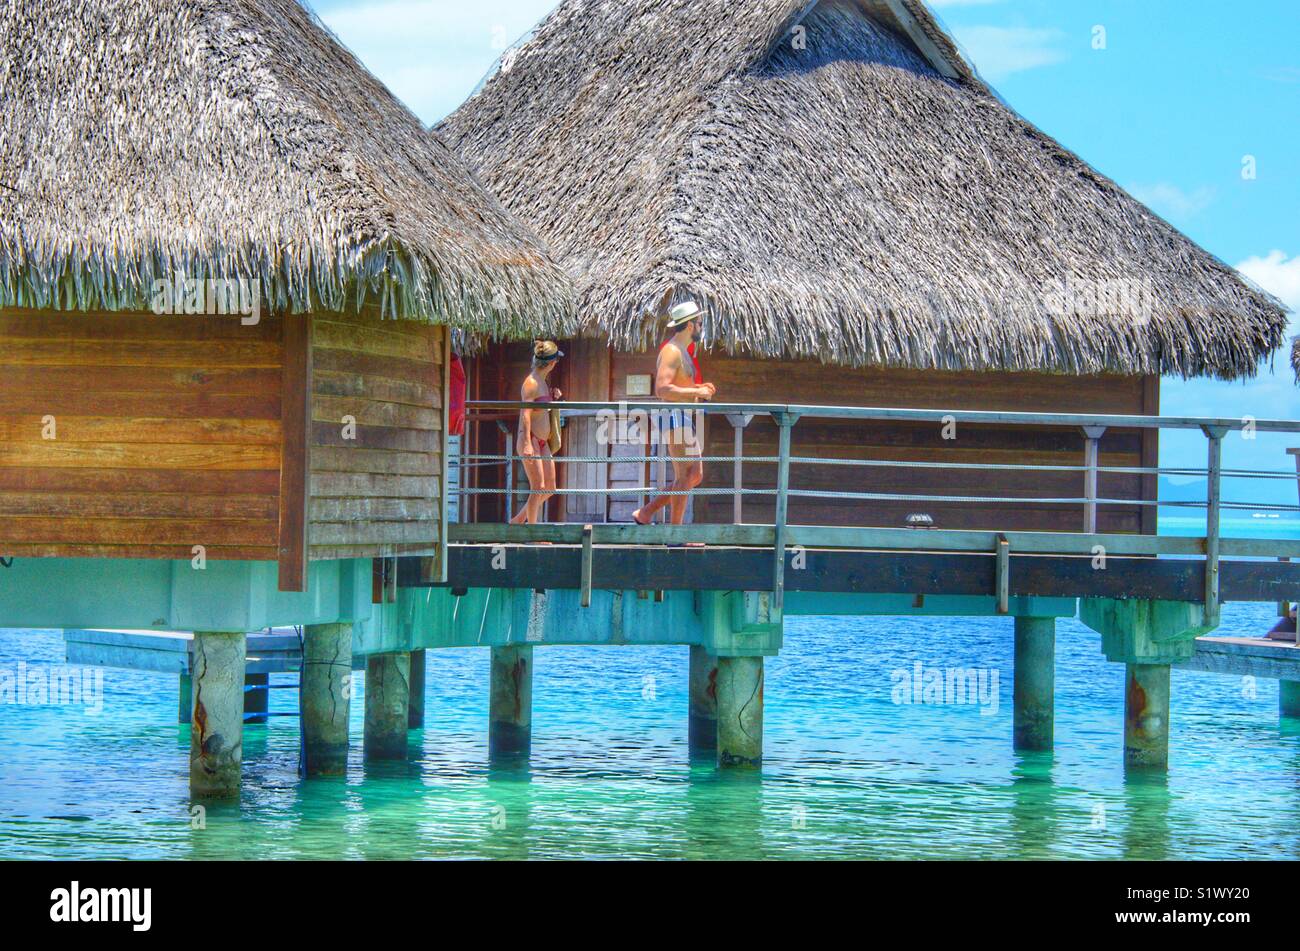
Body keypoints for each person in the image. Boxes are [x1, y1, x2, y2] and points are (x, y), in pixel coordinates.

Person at [632, 302, 716, 527]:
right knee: (685, 475)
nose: (701, 327)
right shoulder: (671, 351)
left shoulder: (682, 352)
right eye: (699, 323)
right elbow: (662, 389)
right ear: (690, 325)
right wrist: (696, 390)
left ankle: (647, 512)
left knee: (694, 475)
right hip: (675, 415)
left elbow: (680, 386)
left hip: (684, 416)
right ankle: (675, 534)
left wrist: (699, 390)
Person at [510, 340, 563, 525]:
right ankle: (533, 533)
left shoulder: (544, 381)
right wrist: (525, 442)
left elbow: (542, 408)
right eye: (556, 360)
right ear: (551, 362)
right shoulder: (531, 383)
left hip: (542, 441)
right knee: (538, 487)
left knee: (549, 488)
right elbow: (525, 413)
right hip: (531, 439)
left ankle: (518, 520)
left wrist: (553, 396)